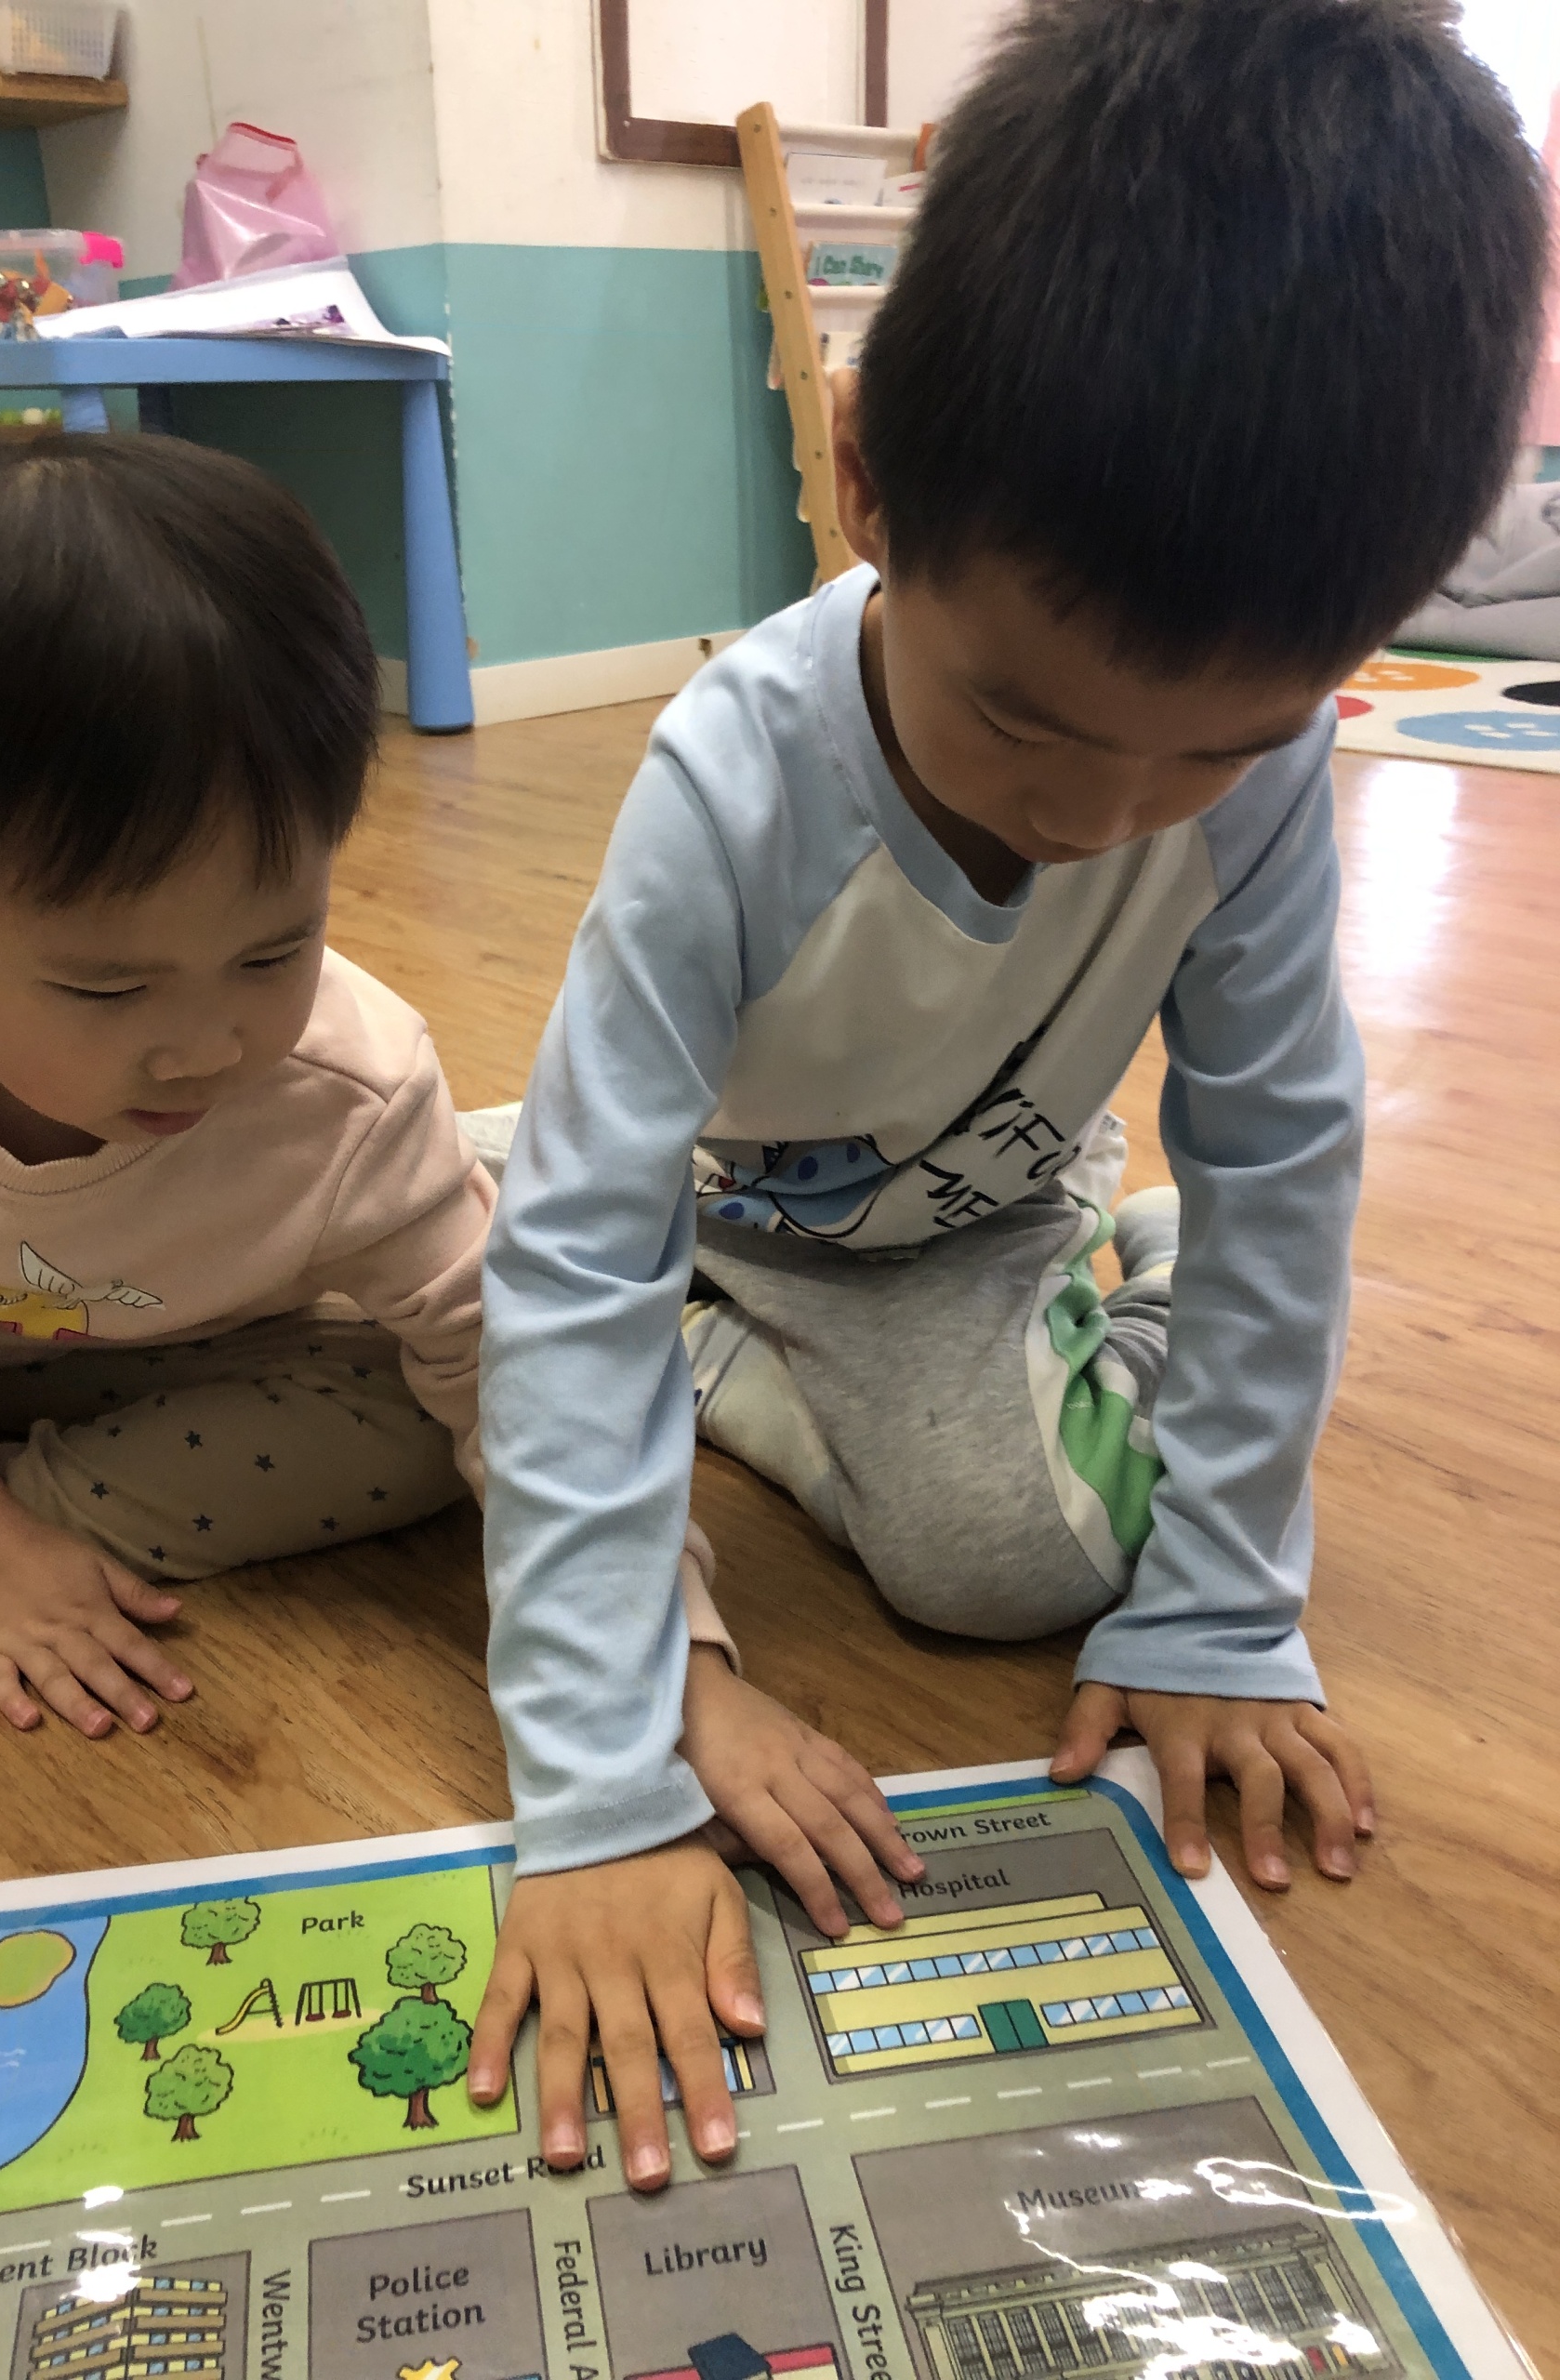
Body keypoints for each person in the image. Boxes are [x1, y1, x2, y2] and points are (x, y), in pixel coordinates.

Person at [465, 0, 1552, 2191]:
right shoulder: (734, 778)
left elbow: (1279, 1143)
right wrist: (599, 1789)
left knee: (1001, 1560)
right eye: (1029, 722)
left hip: (969, 1216)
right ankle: (754, 1341)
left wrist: (1225, 1596)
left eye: (1220, 745)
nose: (1110, 813)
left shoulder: (1257, 780)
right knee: (470, 1277)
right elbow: (578, 1244)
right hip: (740, 1212)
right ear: (869, 481)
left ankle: (1085, 1283)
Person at [0, 436, 501, 1738]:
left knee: (418, 1423)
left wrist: (669, 1652)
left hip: (206, 1351)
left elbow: (507, 1367)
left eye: (273, 951)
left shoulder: (351, 1093)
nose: (207, 1049)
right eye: (107, 988)